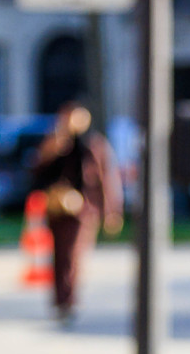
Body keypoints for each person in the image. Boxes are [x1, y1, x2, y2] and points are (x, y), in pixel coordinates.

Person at [31, 100, 122, 324]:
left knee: (73, 254)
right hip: (57, 207)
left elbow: (105, 178)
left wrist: (111, 210)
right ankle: (60, 299)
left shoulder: (93, 143)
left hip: (84, 209)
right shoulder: (56, 141)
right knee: (59, 255)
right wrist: (55, 143)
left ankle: (68, 299)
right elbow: (38, 169)